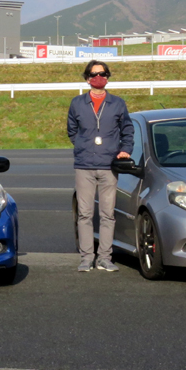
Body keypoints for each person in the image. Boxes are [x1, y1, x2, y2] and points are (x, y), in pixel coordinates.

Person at [67, 60, 134, 273]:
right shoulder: (77, 103)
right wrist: (83, 146)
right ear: (87, 78)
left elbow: (127, 130)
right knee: (85, 214)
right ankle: (86, 257)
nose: (99, 78)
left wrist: (125, 150)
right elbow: (72, 130)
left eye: (103, 74)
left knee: (107, 214)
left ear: (107, 77)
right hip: (84, 166)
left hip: (109, 166)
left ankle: (105, 257)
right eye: (94, 74)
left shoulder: (118, 103)